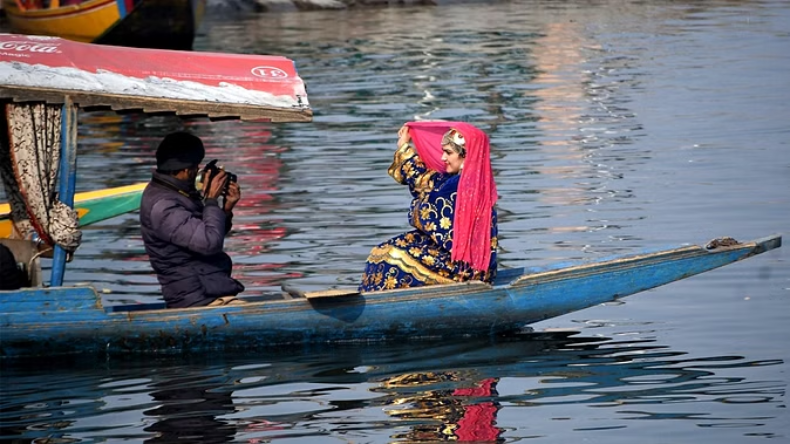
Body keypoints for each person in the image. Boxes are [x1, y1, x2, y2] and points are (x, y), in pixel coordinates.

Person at [359, 121, 498, 291]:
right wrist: (404, 146)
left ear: (466, 156)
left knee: (392, 256)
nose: (442, 158)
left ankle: (380, 303)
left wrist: (419, 204)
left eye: (448, 153)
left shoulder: (466, 186)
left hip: (466, 269)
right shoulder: (456, 180)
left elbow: (427, 207)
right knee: (380, 250)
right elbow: (425, 181)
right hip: (454, 257)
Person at [140, 131, 244, 308]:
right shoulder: (164, 205)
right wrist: (211, 200)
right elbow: (210, 243)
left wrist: (226, 209)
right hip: (196, 299)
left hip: (208, 289)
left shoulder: (175, 192)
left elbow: (206, 232)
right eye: (196, 168)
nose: (198, 172)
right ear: (186, 171)